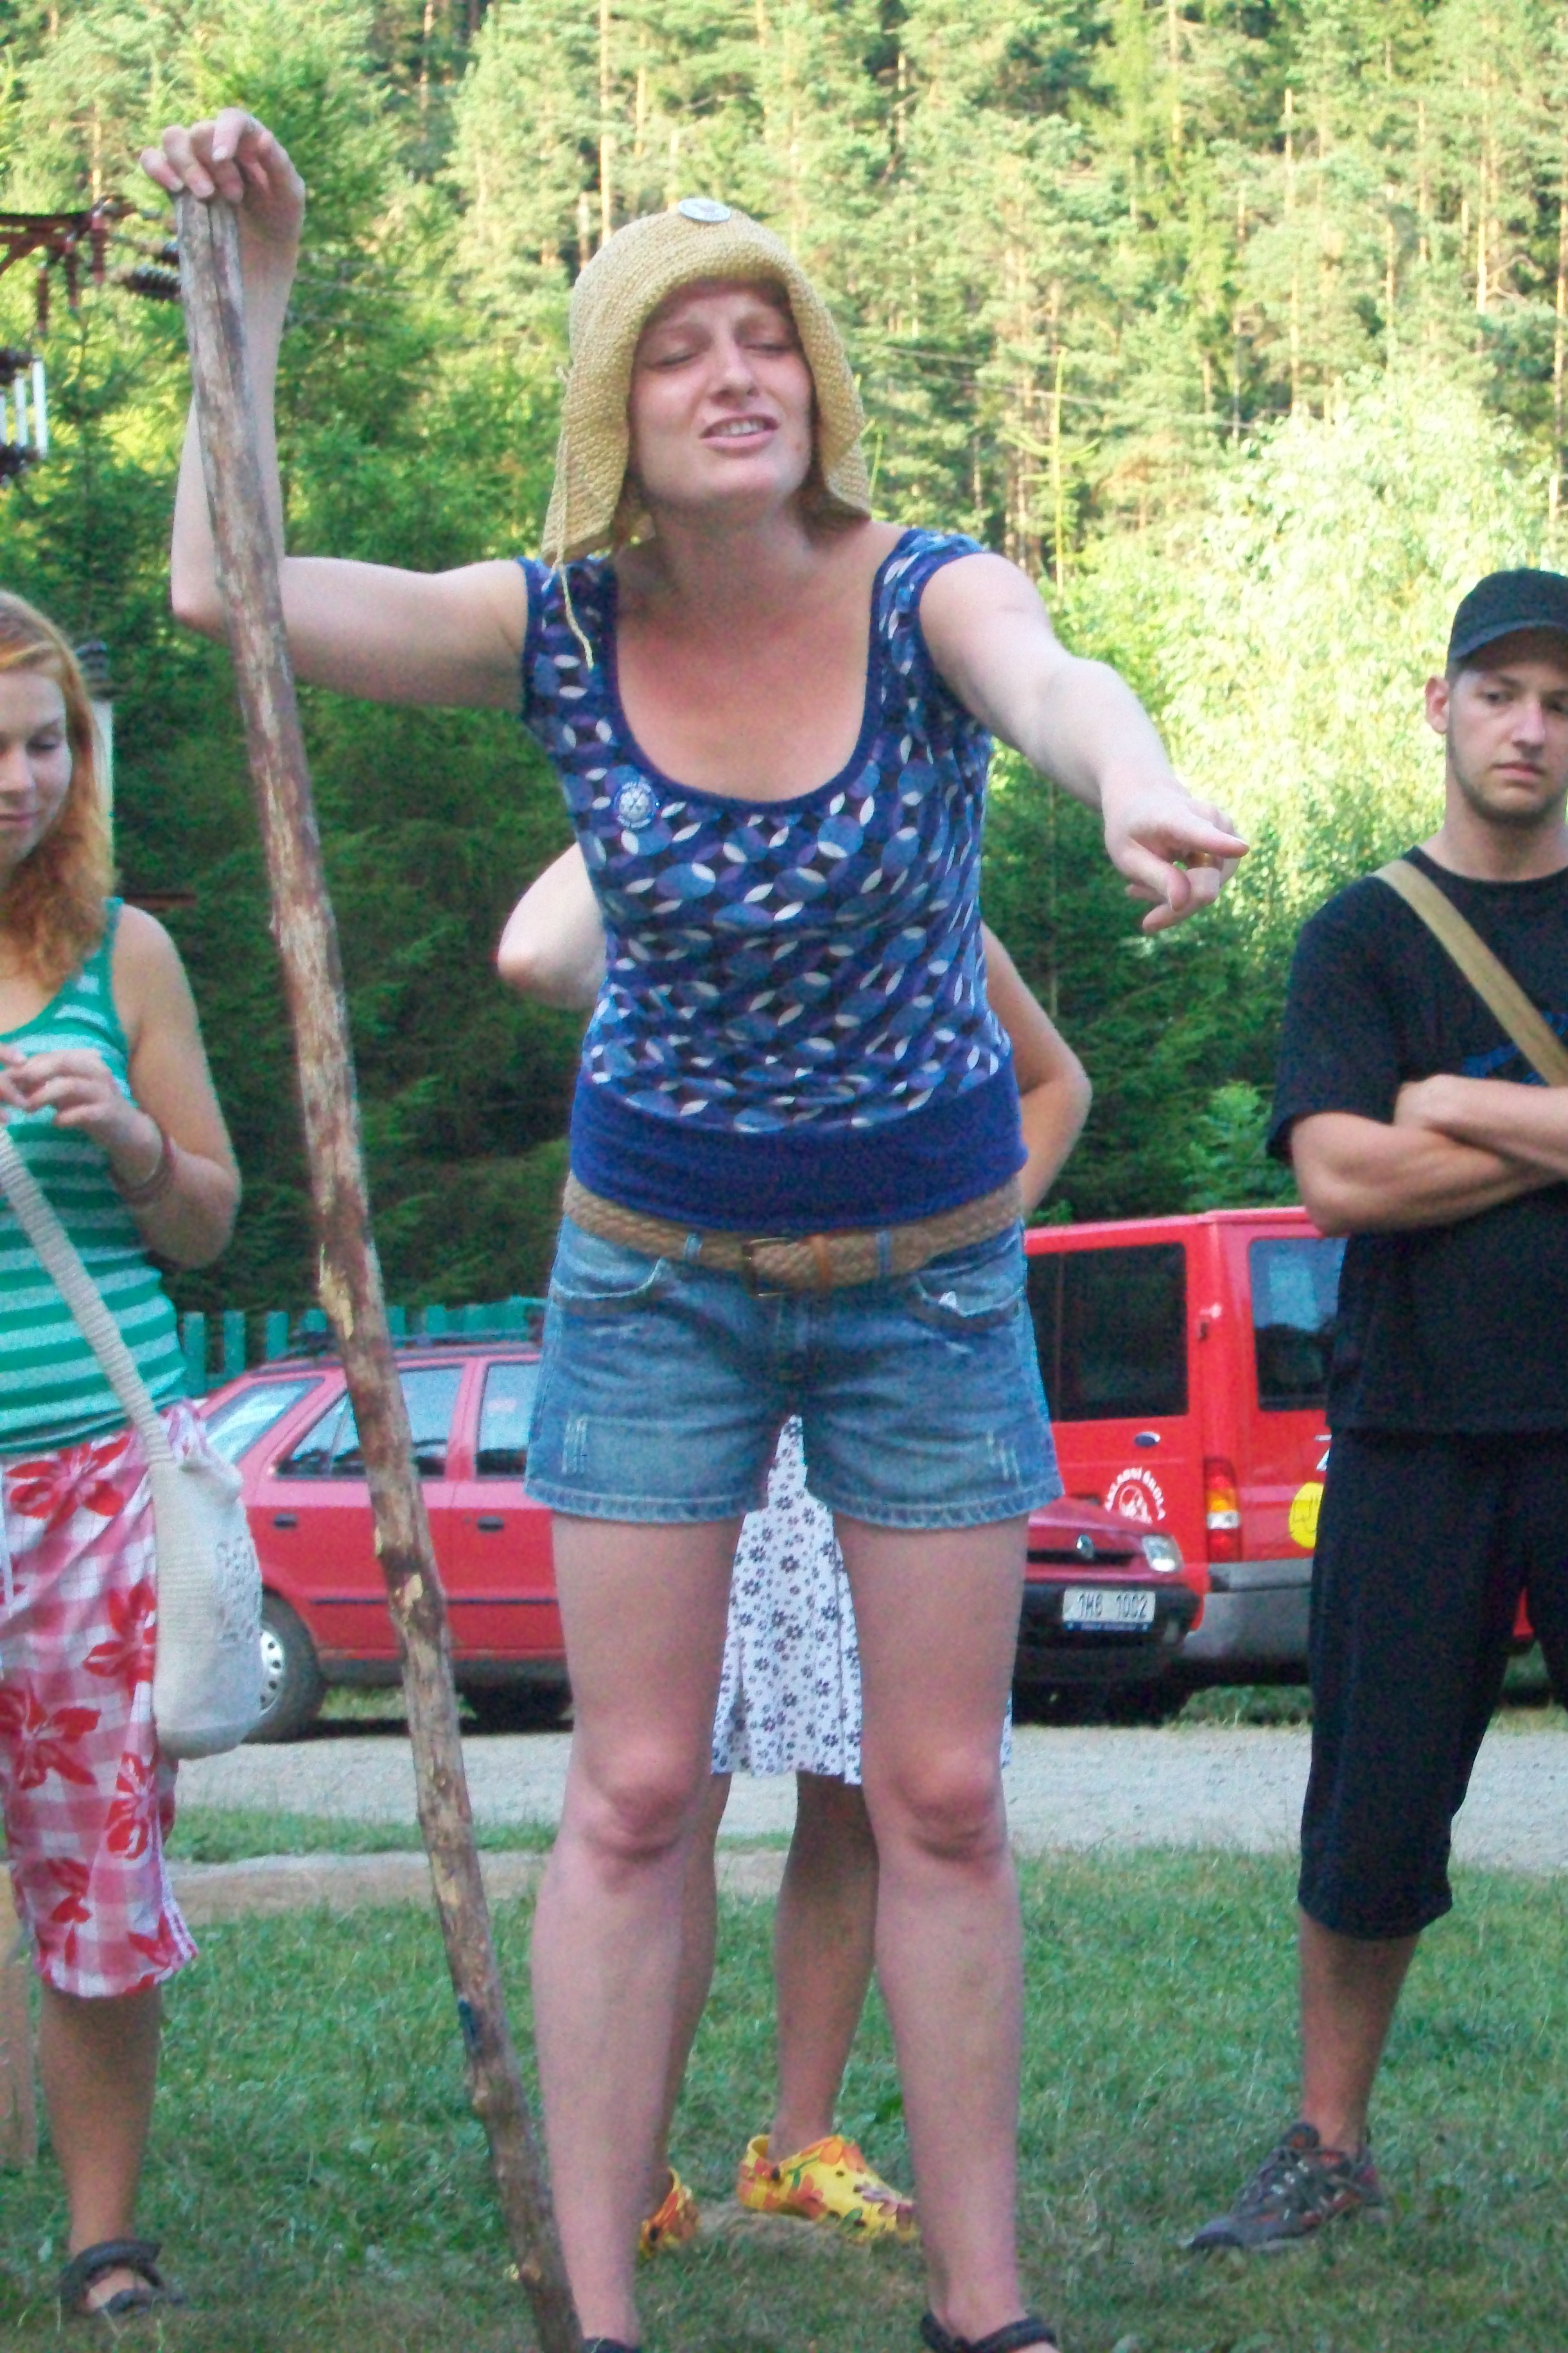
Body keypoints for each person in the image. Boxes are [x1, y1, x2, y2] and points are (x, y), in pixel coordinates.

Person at [146, 111, 1242, 2353]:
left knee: (941, 1789)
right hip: (653, 1272)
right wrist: (242, 316)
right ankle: (600, 2312)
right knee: (637, 1789)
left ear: (817, 378)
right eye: (678, 350)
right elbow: (226, 595)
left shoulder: (926, 588)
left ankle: (983, 2304)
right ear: (610, 407)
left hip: (929, 1275)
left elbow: (1055, 682)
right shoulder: (555, 623)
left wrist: (1128, 777)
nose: (735, 376)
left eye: (767, 339)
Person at [501, 855, 1090, 2255]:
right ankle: (631, 2171)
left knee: (863, 1782)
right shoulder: (663, 874)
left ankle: (801, 2137)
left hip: (880, 1377)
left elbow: (1052, 1083)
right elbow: (537, 954)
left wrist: (955, 1251)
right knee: (664, 1787)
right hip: (695, 1376)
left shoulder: (923, 897)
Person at [1190, 568, 1568, 2254]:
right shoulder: (1360, 934)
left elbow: (1388, 1140)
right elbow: (1338, 1179)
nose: (1530, 728)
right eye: (1500, 693)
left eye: (1561, 703)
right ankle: (1328, 2143)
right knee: (1371, 1806)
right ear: (1440, 706)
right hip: (1414, 1431)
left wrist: (1448, 1103)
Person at [0, 593, 241, 2317]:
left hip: (95, 1478)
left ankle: (103, 2238)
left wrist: (135, 1137)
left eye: (47, 742)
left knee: (95, 1868)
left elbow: (211, 1219)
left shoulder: (123, 952)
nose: (21, 777)